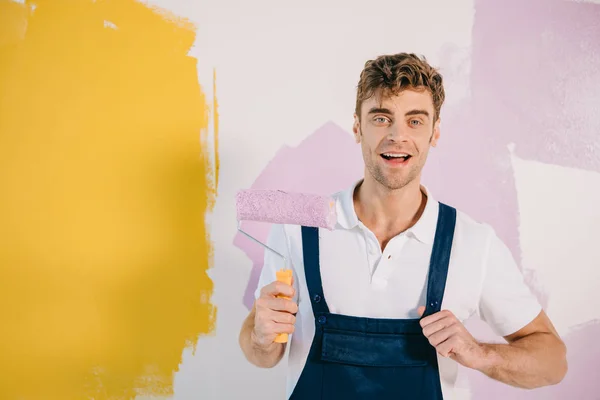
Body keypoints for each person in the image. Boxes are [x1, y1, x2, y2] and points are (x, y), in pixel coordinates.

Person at [238, 52, 567, 399]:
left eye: (415, 120)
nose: (398, 136)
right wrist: (260, 336)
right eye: (381, 118)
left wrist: (479, 353)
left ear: (435, 132)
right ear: (357, 127)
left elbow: (553, 362)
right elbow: (262, 352)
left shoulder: (472, 243)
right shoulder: (298, 229)